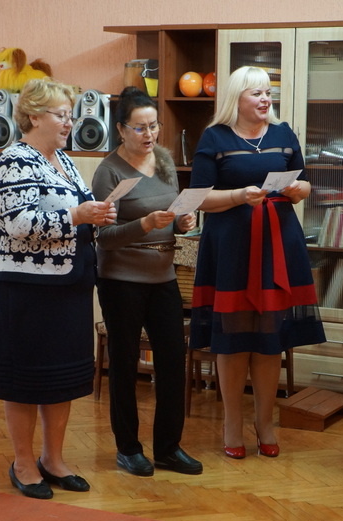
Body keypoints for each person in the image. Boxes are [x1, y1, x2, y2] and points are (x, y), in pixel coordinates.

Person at [0, 77, 116, 499]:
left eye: (70, 115)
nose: (69, 122)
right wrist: (78, 216)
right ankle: (23, 463)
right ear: (34, 116)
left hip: (67, 286)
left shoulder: (63, 160)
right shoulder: (13, 160)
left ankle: (53, 459)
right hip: (23, 290)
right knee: (24, 378)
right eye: (61, 115)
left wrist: (96, 215)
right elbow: (20, 225)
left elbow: (73, 213)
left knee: (62, 377)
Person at [188, 66, 326, 459]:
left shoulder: (283, 134)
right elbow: (199, 198)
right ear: (237, 98)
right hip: (230, 248)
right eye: (257, 93)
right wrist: (237, 196)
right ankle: (232, 424)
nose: (266, 99)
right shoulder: (215, 137)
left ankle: (265, 423)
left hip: (278, 245)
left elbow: (305, 182)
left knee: (269, 341)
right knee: (232, 341)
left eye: (268, 93)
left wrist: (299, 190)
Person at [91, 86, 202, 477]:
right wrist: (144, 224)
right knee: (124, 364)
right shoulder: (109, 171)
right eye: (140, 128)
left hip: (163, 275)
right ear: (121, 129)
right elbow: (103, 237)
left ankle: (168, 449)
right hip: (121, 280)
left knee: (172, 362)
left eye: (154, 126)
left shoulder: (165, 160)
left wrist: (184, 222)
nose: (149, 134)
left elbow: (174, 215)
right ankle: (128, 449)